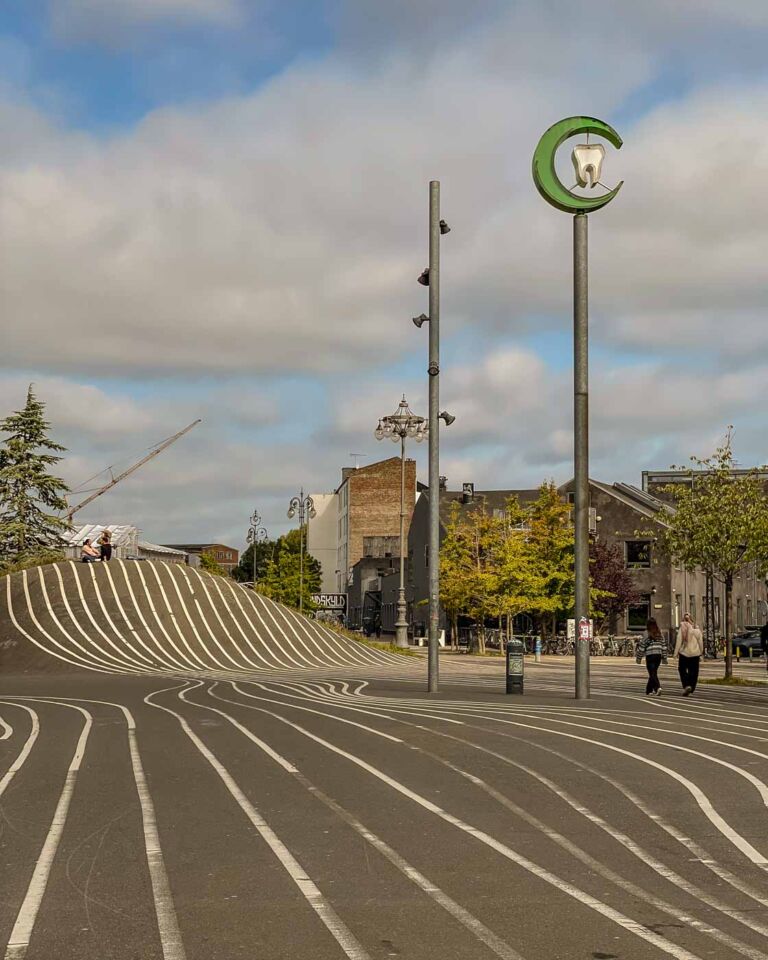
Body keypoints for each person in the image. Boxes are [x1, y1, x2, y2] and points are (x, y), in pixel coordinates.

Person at [635, 617, 668, 696]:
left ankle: (658, 687)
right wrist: (664, 657)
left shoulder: (647, 633)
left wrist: (638, 657)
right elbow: (663, 645)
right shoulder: (659, 633)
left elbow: (642, 645)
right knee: (653, 672)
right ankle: (649, 690)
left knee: (652, 673)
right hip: (658, 655)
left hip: (650, 655)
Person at [674, 613, 704, 696]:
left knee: (682, 670)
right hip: (695, 653)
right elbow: (700, 642)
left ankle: (686, 685)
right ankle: (691, 686)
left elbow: (679, 641)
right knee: (694, 671)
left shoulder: (682, 628)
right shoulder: (696, 630)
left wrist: (675, 653)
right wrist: (701, 652)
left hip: (684, 653)